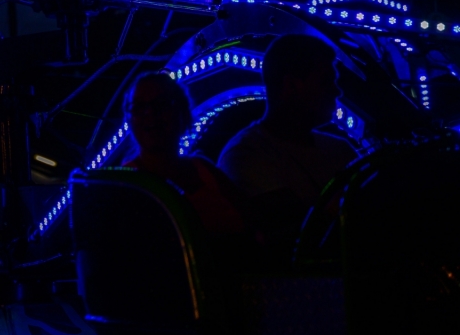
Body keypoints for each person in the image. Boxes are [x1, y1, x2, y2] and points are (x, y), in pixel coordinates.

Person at [217, 34, 359, 262]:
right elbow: (288, 239)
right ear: (292, 85)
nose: (336, 91)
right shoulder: (244, 155)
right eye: (326, 81)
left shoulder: (340, 149)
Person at [122, 72, 248, 237]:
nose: (149, 113)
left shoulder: (204, 170)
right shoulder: (124, 185)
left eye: (161, 104)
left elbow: (253, 220)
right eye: (138, 106)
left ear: (182, 112)